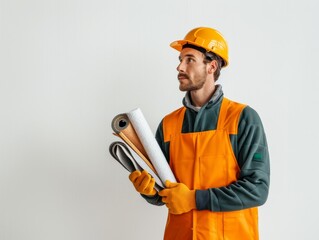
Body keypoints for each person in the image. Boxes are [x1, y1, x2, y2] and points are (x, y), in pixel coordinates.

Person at [128, 27, 270, 240]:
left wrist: (194, 199)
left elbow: (257, 189)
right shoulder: (169, 125)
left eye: (189, 60)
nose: (179, 67)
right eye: (180, 59)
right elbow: (167, 192)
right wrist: (150, 191)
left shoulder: (243, 118)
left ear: (212, 66)